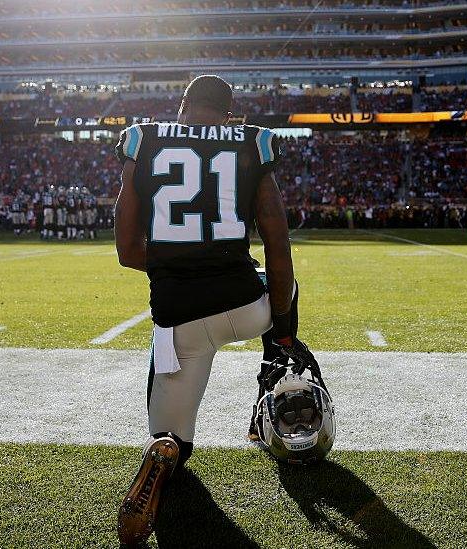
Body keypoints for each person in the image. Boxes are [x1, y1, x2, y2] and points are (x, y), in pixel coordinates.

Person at [113, 75, 316, 546]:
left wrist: (174, 264)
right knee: (281, 283)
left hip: (179, 321)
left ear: (182, 106)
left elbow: (126, 250)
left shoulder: (144, 139)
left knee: (174, 444)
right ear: (229, 115)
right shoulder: (252, 143)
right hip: (245, 307)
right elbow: (278, 245)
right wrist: (282, 331)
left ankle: (165, 446)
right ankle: (275, 365)